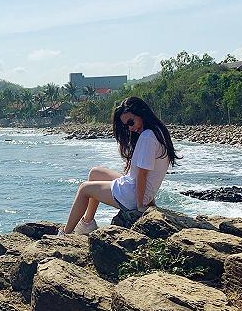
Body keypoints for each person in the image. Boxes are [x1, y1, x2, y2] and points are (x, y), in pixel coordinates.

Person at [58, 96, 179, 235]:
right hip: (135, 188)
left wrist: (141, 205)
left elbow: (143, 175)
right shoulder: (158, 131)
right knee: (95, 173)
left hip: (132, 195)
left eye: (131, 122)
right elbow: (149, 174)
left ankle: (65, 234)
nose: (130, 128)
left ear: (141, 113)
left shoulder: (147, 137)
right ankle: (87, 223)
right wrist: (150, 201)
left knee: (84, 189)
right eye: (126, 125)